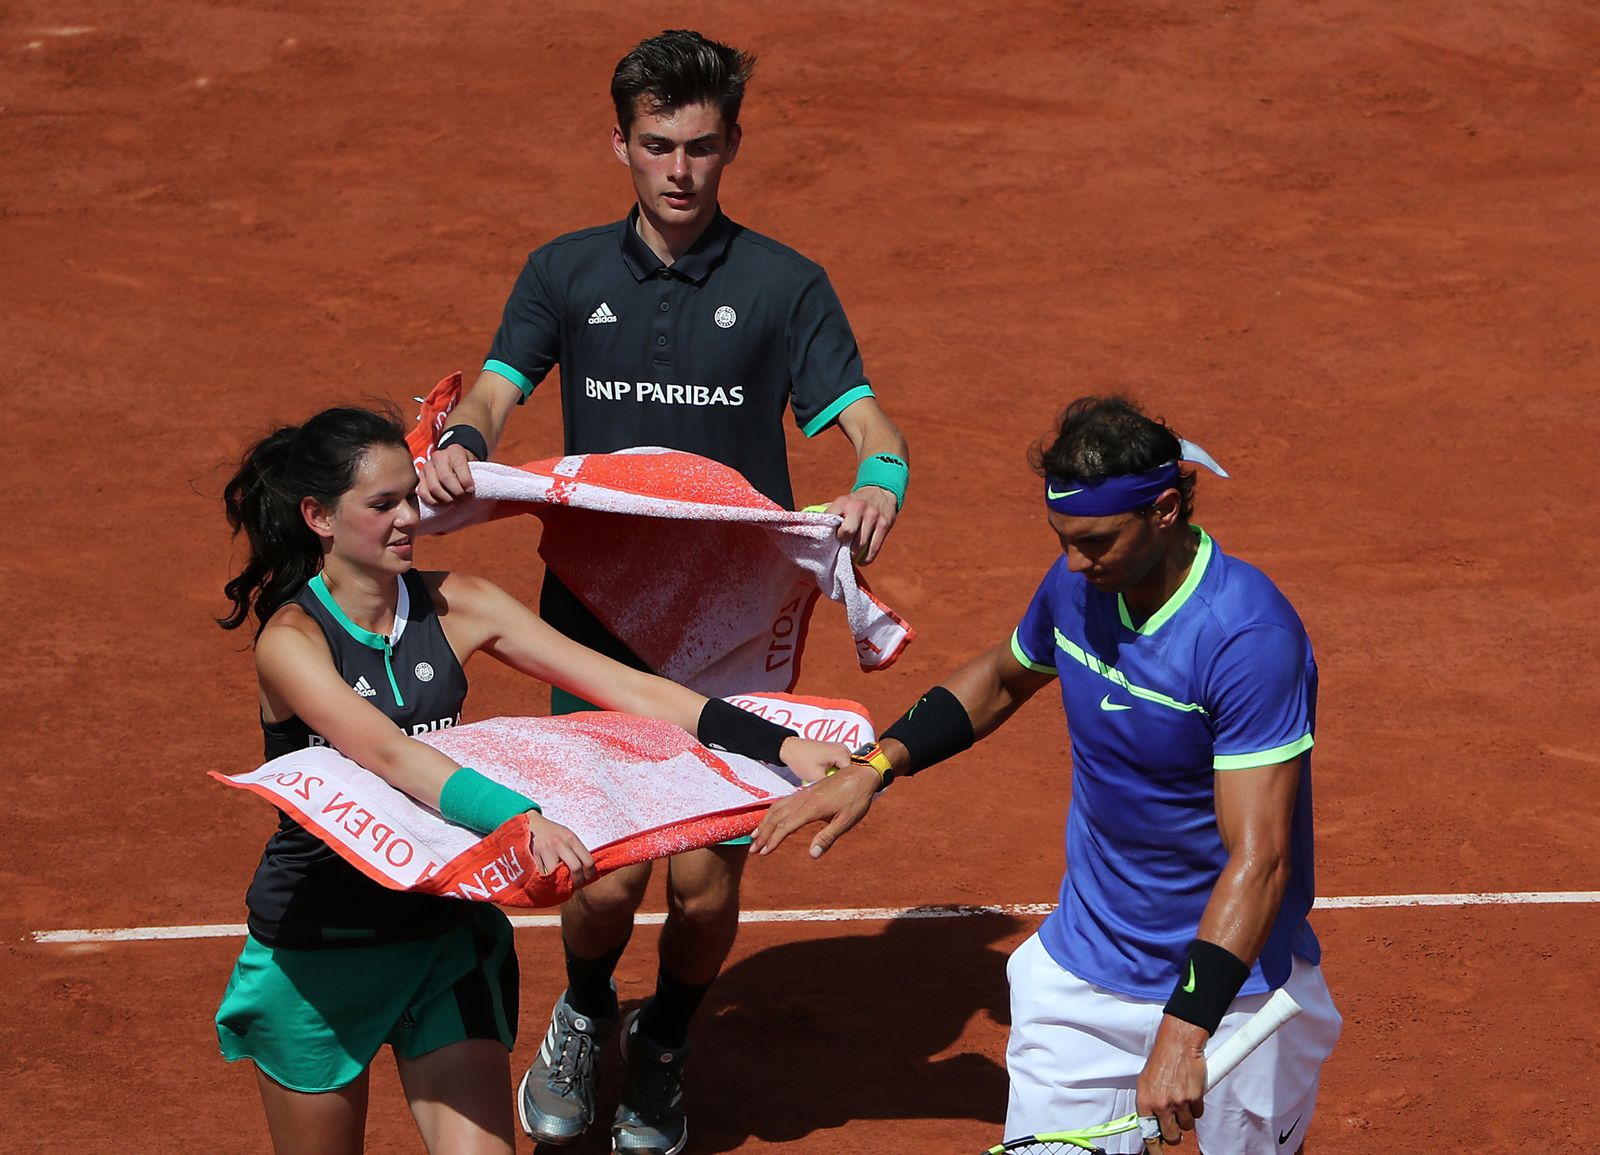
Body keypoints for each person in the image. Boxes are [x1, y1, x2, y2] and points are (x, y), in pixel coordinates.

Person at [416, 29, 910, 1155]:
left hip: (733, 631)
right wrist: (460, 446)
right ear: (620, 145)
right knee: (597, 876)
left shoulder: (785, 285)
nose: (679, 171)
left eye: (700, 146)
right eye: (656, 146)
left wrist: (877, 482)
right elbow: (492, 393)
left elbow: (871, 428)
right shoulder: (563, 272)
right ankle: (588, 1008)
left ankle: (670, 1039)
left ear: (730, 144)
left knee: (699, 885)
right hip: (598, 618)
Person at [213, 406, 848, 1154]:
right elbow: (390, 755)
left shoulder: (460, 603)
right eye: (382, 504)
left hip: (442, 934)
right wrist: (519, 817)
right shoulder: (292, 641)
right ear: (318, 516)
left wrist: (783, 745)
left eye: (410, 497)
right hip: (320, 946)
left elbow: (630, 688)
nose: (408, 518)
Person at [752, 396, 1343, 1154]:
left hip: (1232, 990)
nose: (1073, 564)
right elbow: (1003, 678)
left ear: (1164, 510)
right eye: (1062, 540)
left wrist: (1183, 1029)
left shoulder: (1246, 637)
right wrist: (876, 767)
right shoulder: (1081, 585)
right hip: (1083, 974)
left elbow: (1260, 861)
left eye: (1095, 542)